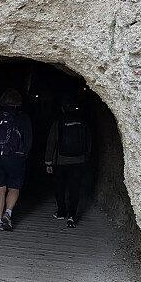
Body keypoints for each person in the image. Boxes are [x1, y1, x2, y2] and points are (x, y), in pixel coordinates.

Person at [0, 88, 32, 231]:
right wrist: (24, 154)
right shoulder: (23, 117)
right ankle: (8, 213)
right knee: (13, 187)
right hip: (15, 157)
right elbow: (28, 139)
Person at [45, 97, 92, 228]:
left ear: (62, 109)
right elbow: (88, 141)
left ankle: (61, 212)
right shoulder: (83, 122)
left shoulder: (58, 123)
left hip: (60, 161)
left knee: (59, 187)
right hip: (79, 160)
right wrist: (86, 157)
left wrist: (48, 162)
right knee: (74, 189)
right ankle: (72, 216)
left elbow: (51, 142)